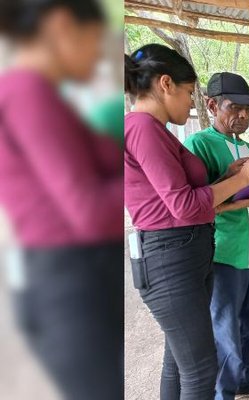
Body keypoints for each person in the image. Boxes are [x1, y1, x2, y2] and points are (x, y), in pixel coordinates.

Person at [125, 44, 249, 399]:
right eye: (190, 92)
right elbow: (184, 206)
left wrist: (228, 174)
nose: (191, 103)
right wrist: (241, 181)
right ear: (165, 84)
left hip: (184, 253)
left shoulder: (155, 130)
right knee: (201, 368)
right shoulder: (143, 128)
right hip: (168, 256)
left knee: (180, 363)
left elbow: (186, 192)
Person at [0, 1, 122, 398]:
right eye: (95, 41)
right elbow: (86, 210)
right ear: (61, 25)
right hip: (72, 281)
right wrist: (148, 185)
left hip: (72, 275)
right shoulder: (26, 92)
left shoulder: (39, 94)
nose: (98, 55)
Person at [184, 72, 249, 399]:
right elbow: (197, 205)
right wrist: (240, 194)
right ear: (212, 105)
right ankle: (222, 392)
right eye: (235, 107)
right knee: (225, 333)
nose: (243, 115)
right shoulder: (199, 144)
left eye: (248, 109)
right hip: (225, 252)